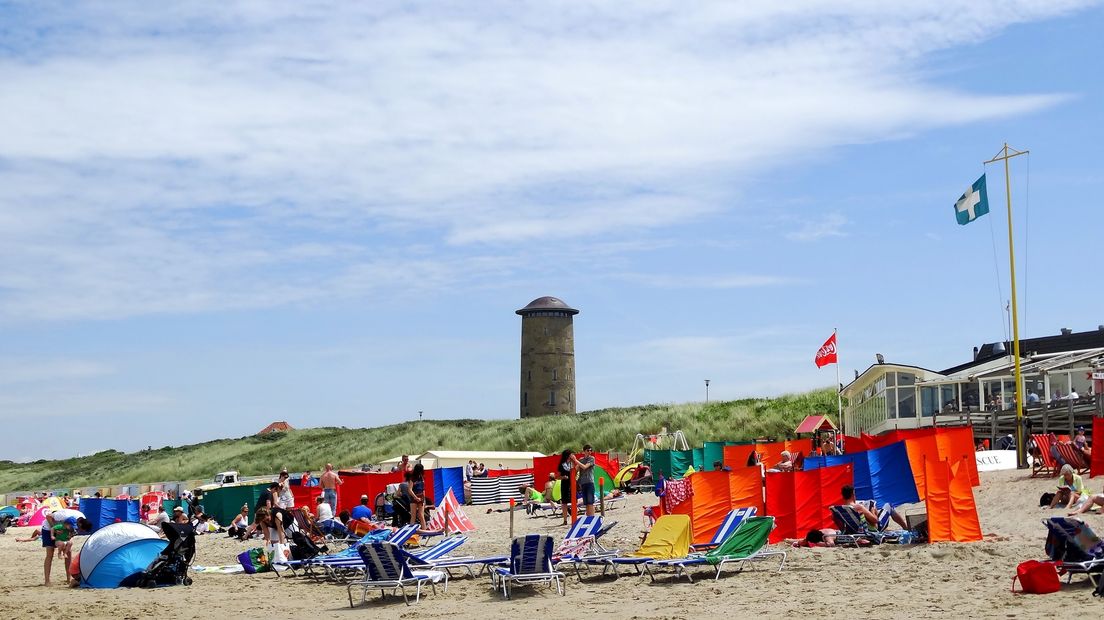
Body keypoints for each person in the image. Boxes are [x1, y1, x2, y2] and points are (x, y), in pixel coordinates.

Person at [37, 508, 91, 586]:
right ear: (79, 523)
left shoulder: (82, 518)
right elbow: (48, 516)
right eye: (80, 529)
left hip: (64, 531)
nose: (79, 530)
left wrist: (69, 537)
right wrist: (55, 529)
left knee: (68, 552)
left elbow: (72, 531)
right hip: (49, 528)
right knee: (50, 553)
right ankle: (47, 581)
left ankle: (68, 579)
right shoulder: (64, 515)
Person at [841, 484, 907, 529]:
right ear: (853, 494)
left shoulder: (842, 508)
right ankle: (905, 527)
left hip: (855, 530)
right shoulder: (858, 507)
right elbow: (875, 520)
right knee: (889, 506)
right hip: (873, 529)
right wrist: (872, 510)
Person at [571, 444, 597, 517]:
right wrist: (573, 461)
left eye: (591, 450)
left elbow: (585, 467)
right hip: (582, 483)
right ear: (584, 451)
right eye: (588, 450)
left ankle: (591, 517)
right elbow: (576, 469)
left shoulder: (592, 458)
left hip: (589, 482)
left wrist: (576, 460)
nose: (589, 452)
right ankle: (588, 517)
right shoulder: (581, 460)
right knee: (586, 502)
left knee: (590, 502)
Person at [408, 464, 428, 529]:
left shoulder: (422, 477)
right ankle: (411, 531)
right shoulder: (412, 478)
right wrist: (415, 497)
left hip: (421, 497)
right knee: (413, 515)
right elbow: (410, 489)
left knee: (421, 515)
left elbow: (423, 489)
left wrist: (424, 499)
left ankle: (424, 530)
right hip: (414, 498)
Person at [557, 449, 573, 525]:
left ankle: (574, 517)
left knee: (573, 500)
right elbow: (557, 476)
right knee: (564, 502)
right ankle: (565, 520)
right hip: (565, 484)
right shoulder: (561, 465)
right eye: (571, 454)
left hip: (572, 483)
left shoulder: (572, 463)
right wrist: (563, 477)